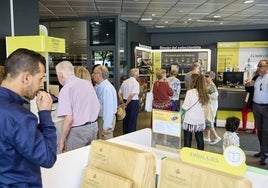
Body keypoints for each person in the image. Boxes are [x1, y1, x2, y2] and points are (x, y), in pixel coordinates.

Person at [0, 48, 57, 187]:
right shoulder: (20, 117)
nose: (41, 84)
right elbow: (48, 157)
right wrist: (45, 114)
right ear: (26, 78)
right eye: (40, 78)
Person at [56, 60, 100, 153]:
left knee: (74, 161)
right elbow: (98, 107)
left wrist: (62, 140)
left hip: (78, 132)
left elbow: (69, 119)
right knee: (88, 159)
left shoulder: (66, 89)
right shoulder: (87, 84)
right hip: (93, 127)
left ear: (61, 75)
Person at [181, 74, 209, 150]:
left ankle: (186, 155)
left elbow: (185, 107)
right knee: (199, 138)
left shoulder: (190, 92)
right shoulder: (204, 93)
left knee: (187, 138)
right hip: (199, 120)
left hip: (189, 119)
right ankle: (200, 155)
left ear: (194, 82)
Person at [249, 59, 268, 165]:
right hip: (256, 106)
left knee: (266, 132)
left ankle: (265, 154)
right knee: (260, 131)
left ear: (267, 67)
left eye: (262, 66)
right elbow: (250, 90)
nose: (259, 68)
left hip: (266, 108)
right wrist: (248, 85)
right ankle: (262, 151)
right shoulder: (256, 77)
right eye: (259, 66)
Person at [92, 65, 117, 139]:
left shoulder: (106, 88)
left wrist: (106, 126)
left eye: (94, 73)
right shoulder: (99, 85)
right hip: (102, 118)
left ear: (99, 75)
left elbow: (108, 109)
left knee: (106, 144)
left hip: (105, 119)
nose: (92, 75)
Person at [118, 68, 140, 134]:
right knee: (132, 121)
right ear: (137, 75)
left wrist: (123, 102)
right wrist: (126, 103)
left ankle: (125, 135)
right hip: (132, 103)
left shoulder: (125, 82)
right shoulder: (136, 83)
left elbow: (119, 93)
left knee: (125, 120)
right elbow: (132, 94)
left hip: (125, 101)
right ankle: (131, 137)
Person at [203, 71, 222, 145]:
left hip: (211, 106)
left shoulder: (212, 86)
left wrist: (206, 95)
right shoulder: (207, 85)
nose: (205, 77)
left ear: (211, 77)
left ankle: (216, 137)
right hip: (208, 105)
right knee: (207, 120)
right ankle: (207, 137)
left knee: (208, 121)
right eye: (205, 76)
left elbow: (215, 96)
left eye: (207, 76)